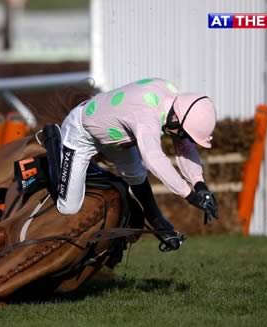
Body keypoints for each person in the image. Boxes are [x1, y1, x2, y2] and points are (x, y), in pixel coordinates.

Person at [56, 78, 219, 251]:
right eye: (184, 133)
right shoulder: (146, 117)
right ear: (176, 118)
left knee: (137, 175)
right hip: (80, 134)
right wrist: (190, 196)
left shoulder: (173, 99)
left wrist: (199, 185)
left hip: (115, 138)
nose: (183, 139)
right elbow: (154, 159)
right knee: (69, 208)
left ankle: (158, 222)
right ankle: (52, 151)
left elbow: (185, 147)